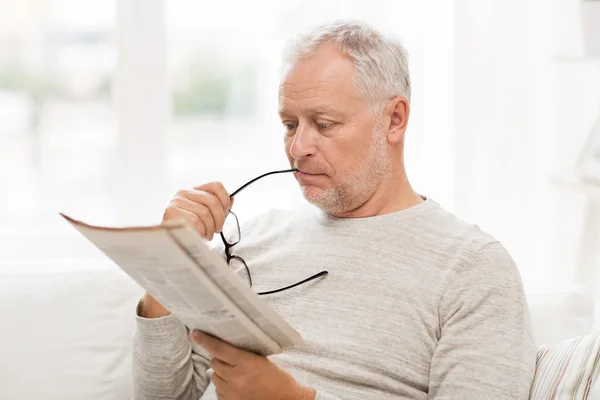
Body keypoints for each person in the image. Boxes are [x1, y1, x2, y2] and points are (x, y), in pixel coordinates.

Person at [133, 20, 536, 400]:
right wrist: (166, 267)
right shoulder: (250, 240)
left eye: (324, 124)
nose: (298, 147)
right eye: (290, 124)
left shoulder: (472, 267)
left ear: (394, 120)